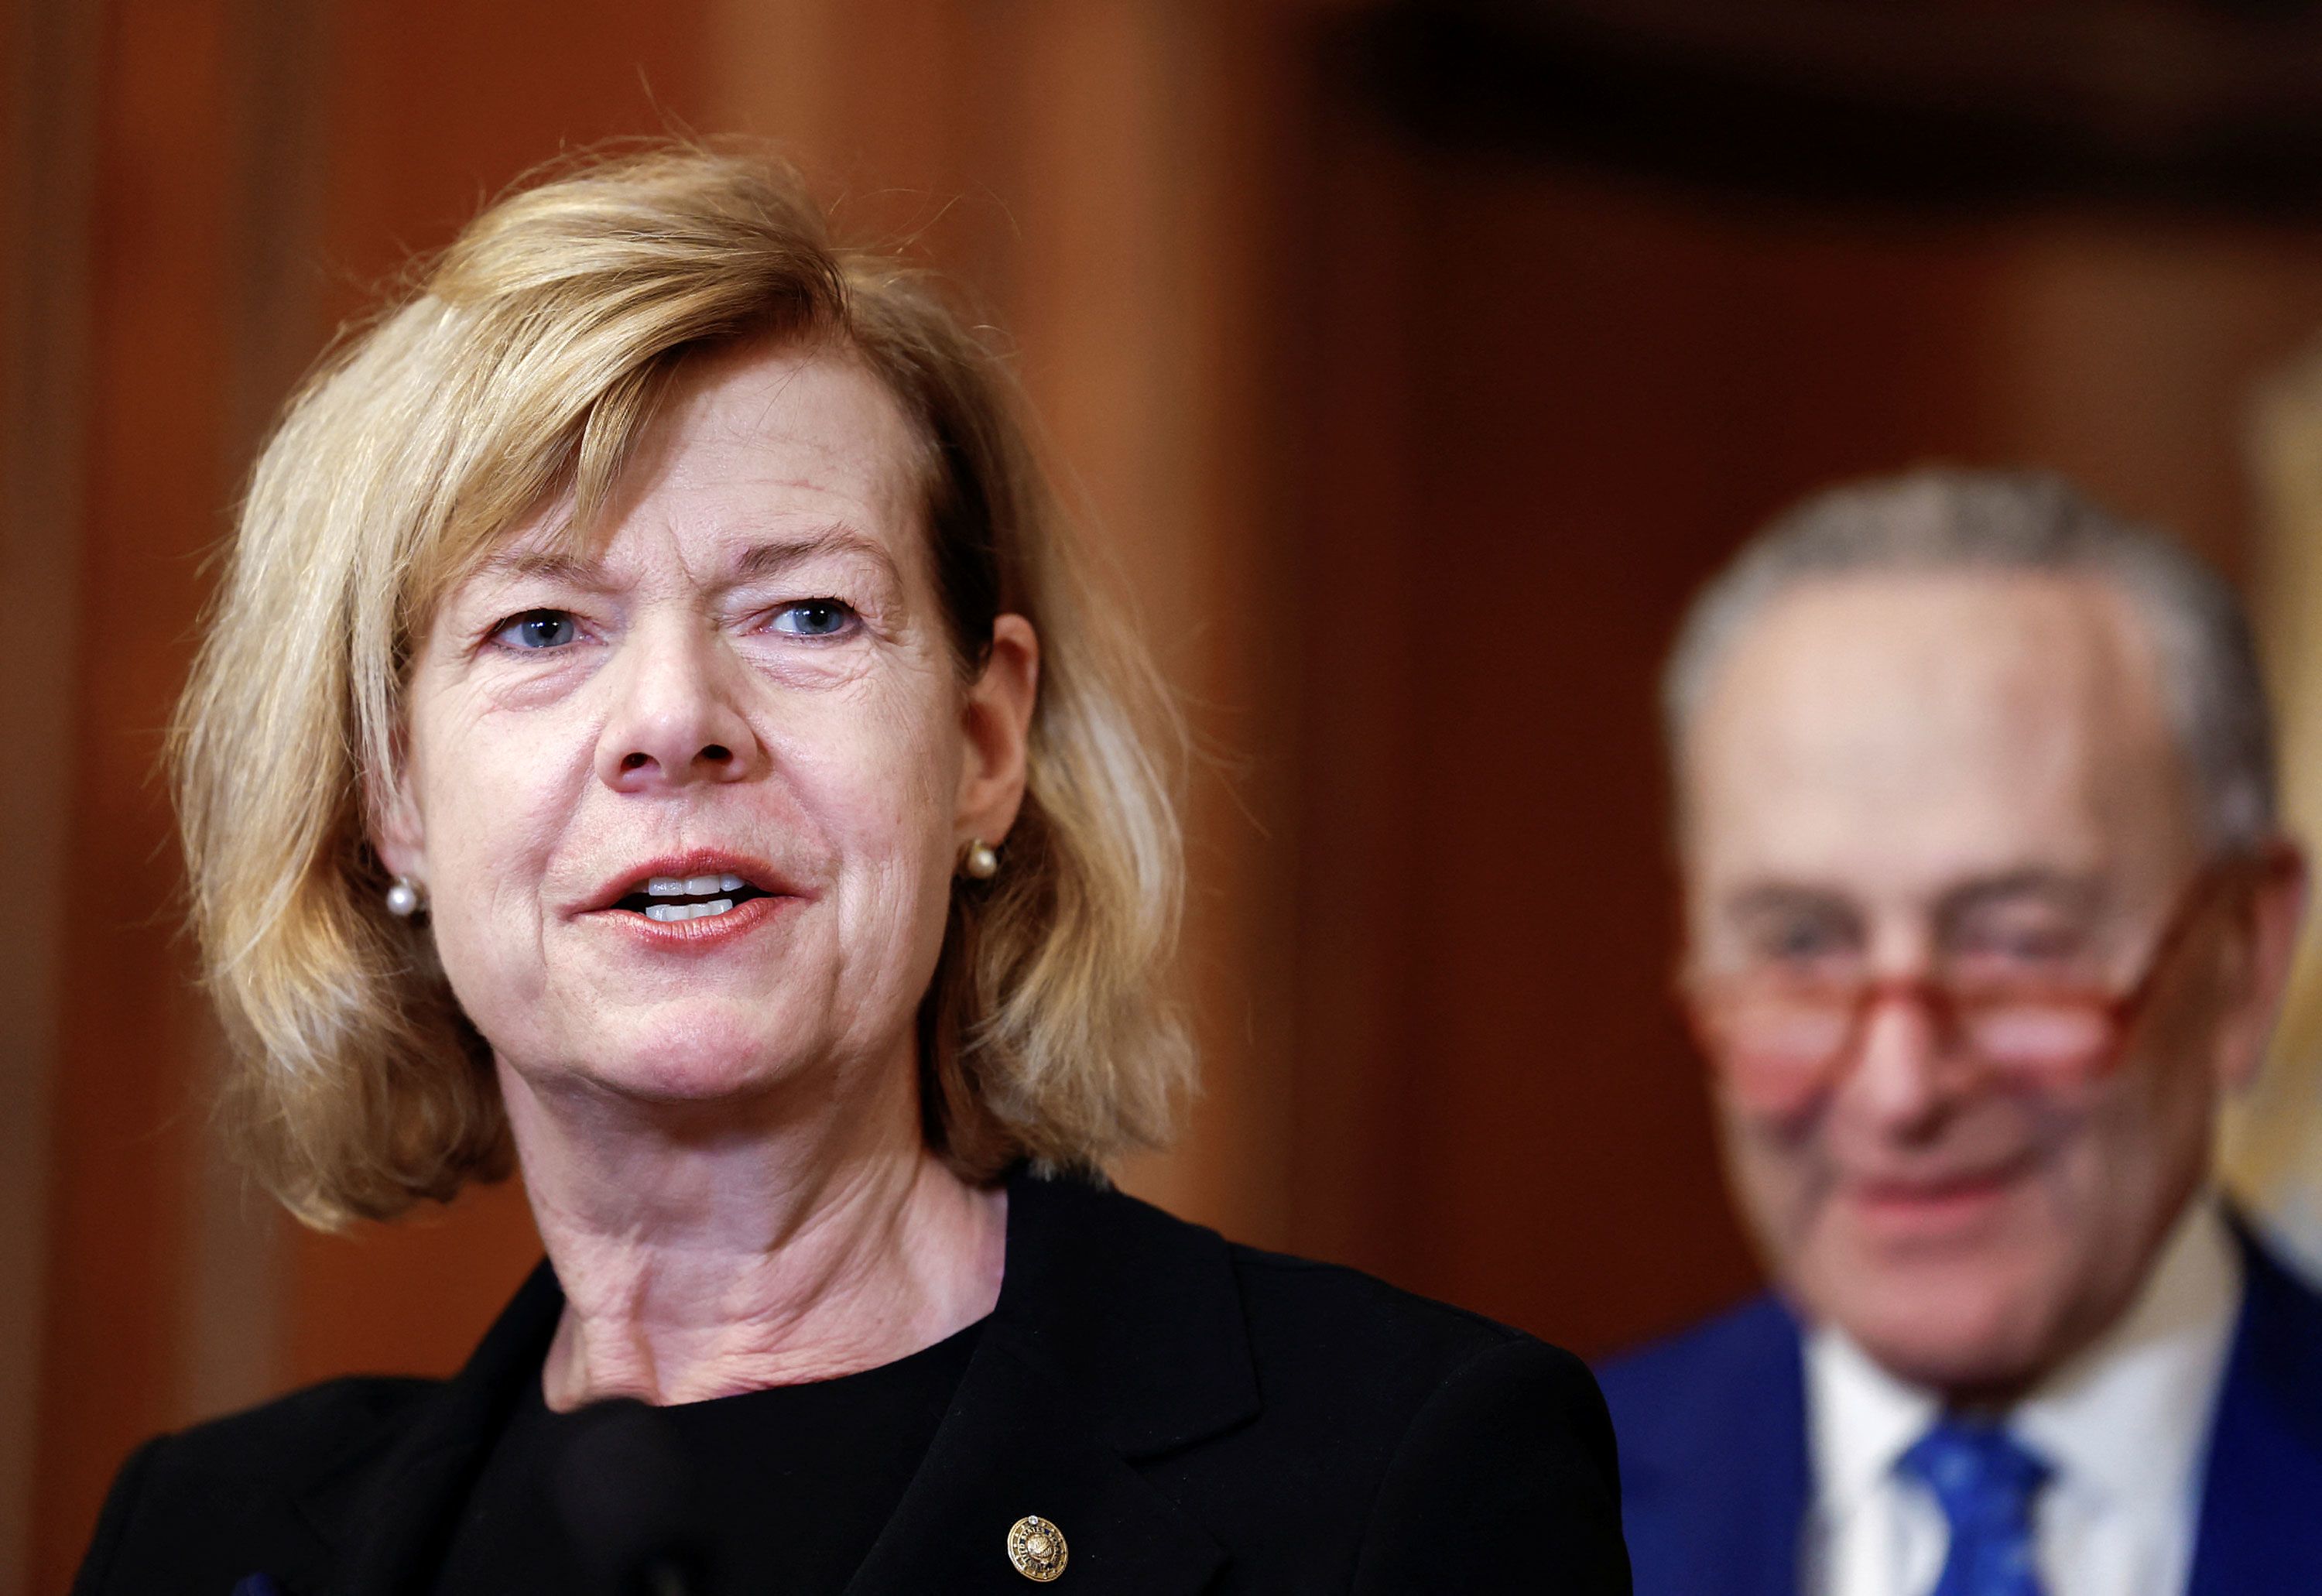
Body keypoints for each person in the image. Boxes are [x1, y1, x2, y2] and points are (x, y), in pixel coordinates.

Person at [73, 146, 1629, 1595]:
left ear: (982, 740)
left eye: (805, 612)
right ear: (392, 796)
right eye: (540, 626)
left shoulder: (1399, 1467)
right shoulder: (205, 1538)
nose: (677, 721)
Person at [1601, 468, 2322, 1595]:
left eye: (2018, 945)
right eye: (1800, 946)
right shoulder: (1508, 1523)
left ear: (2242, 957)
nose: (1900, 1090)